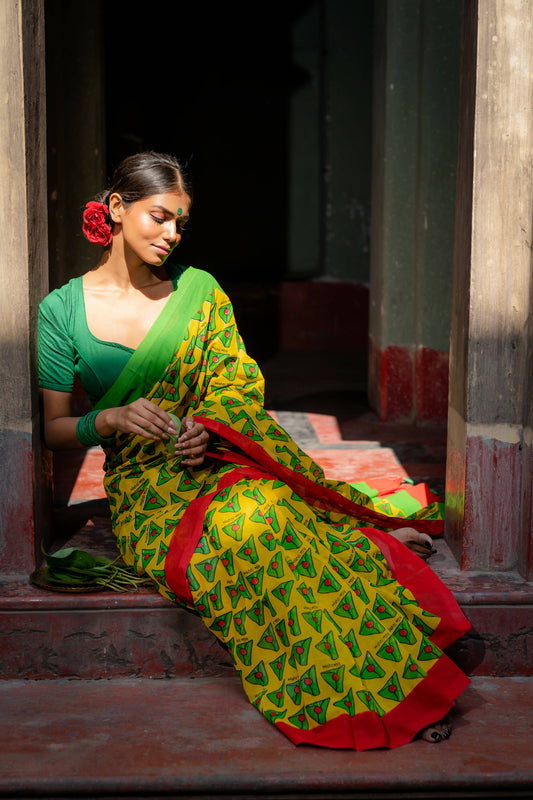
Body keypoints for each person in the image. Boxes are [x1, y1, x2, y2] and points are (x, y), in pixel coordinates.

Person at [38, 151, 470, 750]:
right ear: (115, 208)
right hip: (147, 497)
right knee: (255, 536)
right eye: (159, 217)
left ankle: (393, 682)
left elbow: (236, 385)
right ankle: (355, 667)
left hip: (213, 462)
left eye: (181, 224)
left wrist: (206, 425)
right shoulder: (60, 312)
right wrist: (106, 418)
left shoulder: (200, 292)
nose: (171, 235)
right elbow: (55, 428)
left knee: (270, 515)